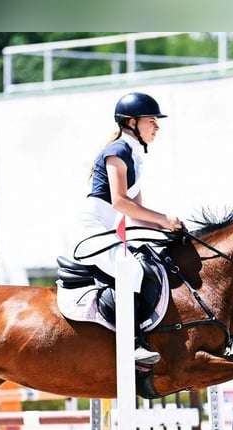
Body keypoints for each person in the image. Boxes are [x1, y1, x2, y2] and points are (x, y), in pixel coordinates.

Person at [75, 92, 183, 365]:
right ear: (132, 122)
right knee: (132, 270)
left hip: (106, 229)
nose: (157, 126)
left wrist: (171, 231)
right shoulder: (117, 152)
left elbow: (137, 217)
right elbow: (120, 202)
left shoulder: (135, 157)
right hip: (91, 228)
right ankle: (132, 344)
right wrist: (162, 218)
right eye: (151, 120)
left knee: (151, 260)